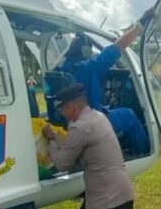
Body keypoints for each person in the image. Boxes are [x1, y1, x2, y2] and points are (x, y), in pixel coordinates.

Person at [56, 9, 155, 155]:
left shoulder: (61, 69)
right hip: (93, 123)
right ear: (85, 50)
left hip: (69, 121)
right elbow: (118, 46)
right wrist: (140, 24)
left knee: (110, 108)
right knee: (129, 115)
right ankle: (145, 151)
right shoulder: (91, 66)